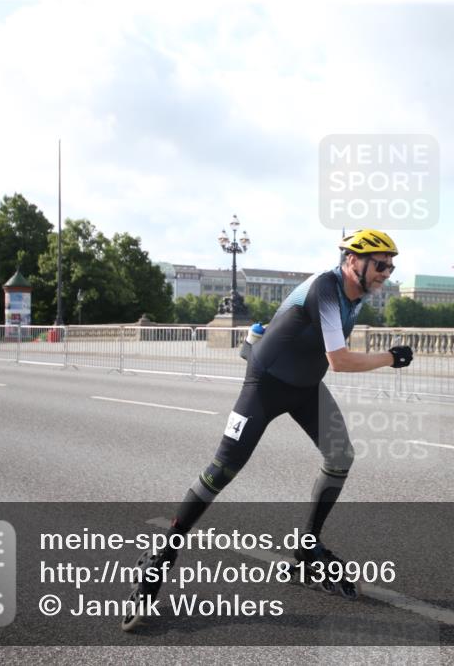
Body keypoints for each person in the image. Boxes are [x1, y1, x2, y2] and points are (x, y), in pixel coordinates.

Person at [122, 229, 414, 631]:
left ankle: (307, 546)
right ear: (353, 262)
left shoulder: (356, 294)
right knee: (221, 471)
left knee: (341, 454)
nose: (387, 272)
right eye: (380, 264)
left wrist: (255, 338)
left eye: (391, 266)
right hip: (265, 388)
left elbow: (293, 325)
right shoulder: (328, 288)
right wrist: (390, 358)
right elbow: (340, 360)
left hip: (305, 387)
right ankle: (161, 557)